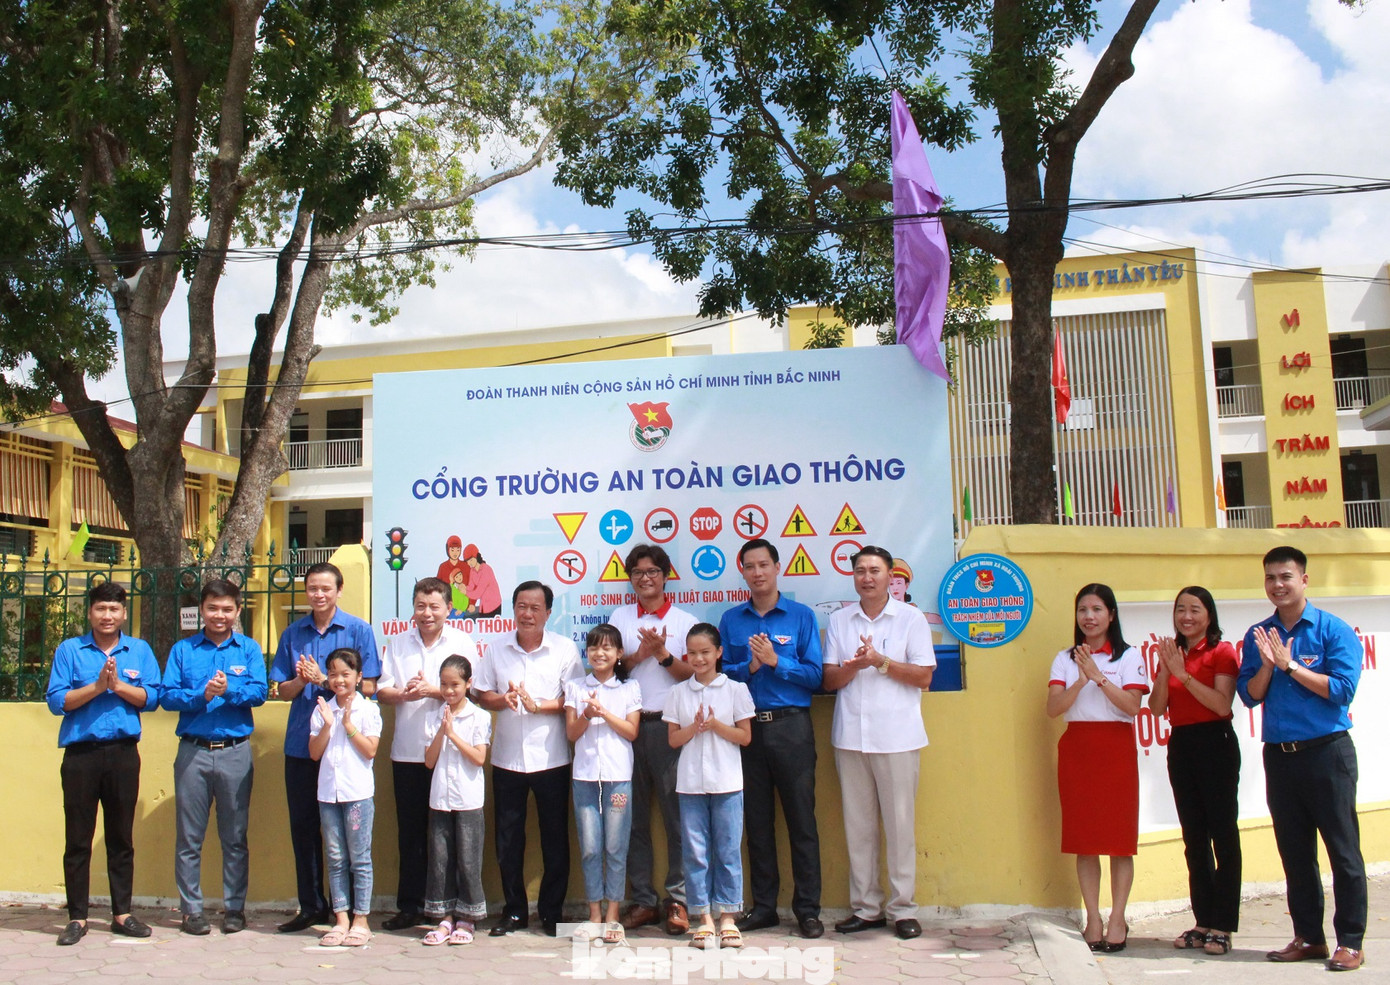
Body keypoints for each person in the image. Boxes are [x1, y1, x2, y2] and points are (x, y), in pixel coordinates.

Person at [1237, 546, 1367, 971]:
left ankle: (1350, 941)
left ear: (1304, 580)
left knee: (1343, 852)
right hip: (1281, 756)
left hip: (1328, 753)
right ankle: (1309, 936)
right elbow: (1250, 697)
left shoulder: (1333, 630)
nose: (1278, 585)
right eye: (1271, 578)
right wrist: (1270, 666)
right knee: (1295, 853)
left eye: (1286, 577)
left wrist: (1290, 665)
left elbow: (1342, 691)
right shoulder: (1259, 635)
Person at [822, 545, 935, 941]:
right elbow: (829, 680)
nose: (867, 577)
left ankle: (903, 909)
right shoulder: (840, 621)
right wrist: (854, 664)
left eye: (875, 570)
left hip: (898, 737)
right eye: (860, 571)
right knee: (859, 828)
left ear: (891, 576)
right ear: (852, 576)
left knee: (900, 827)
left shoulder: (910, 619)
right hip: (851, 737)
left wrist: (880, 662)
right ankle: (866, 909)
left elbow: (924, 676)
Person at [45, 581, 161, 946]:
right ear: (90, 612)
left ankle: (122, 914)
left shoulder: (138, 650)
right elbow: (56, 701)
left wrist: (117, 687)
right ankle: (77, 917)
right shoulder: (70, 650)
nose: (107, 616)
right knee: (78, 838)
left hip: (123, 755)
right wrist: (96, 687)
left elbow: (153, 697)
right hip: (81, 756)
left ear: (124, 613)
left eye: (114, 610)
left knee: (120, 837)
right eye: (100, 609)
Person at [719, 539, 825, 939]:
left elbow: (816, 677)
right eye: (750, 566)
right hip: (747, 730)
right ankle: (764, 907)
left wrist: (777, 662)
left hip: (791, 727)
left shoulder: (801, 617)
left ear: (777, 568)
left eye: (764, 564)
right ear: (742, 571)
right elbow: (724, 675)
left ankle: (808, 910)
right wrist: (749, 665)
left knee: (801, 820)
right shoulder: (731, 620)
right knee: (757, 822)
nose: (757, 572)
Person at [270, 562, 380, 933]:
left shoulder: (358, 630)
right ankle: (311, 906)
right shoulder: (292, 634)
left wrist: (326, 680)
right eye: (312, 588)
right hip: (305, 744)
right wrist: (301, 682)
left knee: (348, 839)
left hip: (347, 749)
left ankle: (347, 913)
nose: (319, 594)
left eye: (326, 588)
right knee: (304, 829)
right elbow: (280, 690)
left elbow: (371, 687)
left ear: (339, 590)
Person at [474, 581, 583, 936]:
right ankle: (514, 911)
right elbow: (480, 694)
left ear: (548, 613)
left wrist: (539, 705)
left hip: (552, 759)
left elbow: (574, 698)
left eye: (535, 608)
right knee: (508, 840)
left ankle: (552, 913)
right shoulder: (496, 649)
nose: (527, 614)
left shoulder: (564, 650)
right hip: (507, 759)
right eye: (521, 606)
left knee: (555, 839)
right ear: (513, 609)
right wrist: (500, 700)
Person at [160, 579, 269, 936]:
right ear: (201, 611)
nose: (219, 615)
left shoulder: (249, 649)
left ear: (238, 611)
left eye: (226, 609)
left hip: (235, 753)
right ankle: (191, 910)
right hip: (193, 751)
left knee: (234, 836)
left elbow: (259, 691)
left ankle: (234, 909)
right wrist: (201, 694)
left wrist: (230, 689)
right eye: (212, 608)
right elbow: (168, 696)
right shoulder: (183, 650)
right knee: (189, 837)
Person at [1046, 583, 1148, 954]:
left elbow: (1133, 707)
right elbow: (1054, 708)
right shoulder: (1064, 658)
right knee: (1085, 842)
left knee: (1120, 843)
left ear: (1111, 615)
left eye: (1096, 609)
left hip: (1116, 750)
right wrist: (1082, 678)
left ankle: (1118, 917)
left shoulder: (1129, 657)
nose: (1089, 617)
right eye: (1082, 610)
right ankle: (1093, 916)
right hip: (1078, 749)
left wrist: (1099, 676)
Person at [376, 577, 476, 931]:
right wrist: (404, 695)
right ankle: (410, 906)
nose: (427, 613)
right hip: (407, 753)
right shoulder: (398, 643)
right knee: (411, 834)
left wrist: (435, 691)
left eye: (435, 606)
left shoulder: (462, 642)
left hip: (451, 753)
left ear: (449, 608)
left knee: (450, 835)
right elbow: (382, 690)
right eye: (421, 605)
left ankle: (451, 909)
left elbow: (471, 692)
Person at [1148, 586, 1241, 956]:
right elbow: (1156, 709)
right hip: (1182, 744)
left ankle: (1223, 925)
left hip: (1215, 742)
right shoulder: (1173, 653)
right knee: (1194, 837)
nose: (1187, 616)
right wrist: (1164, 671)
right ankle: (1202, 920)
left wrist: (1183, 674)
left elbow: (1221, 704)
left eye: (1195, 609)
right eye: (1180, 609)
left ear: (1209, 615)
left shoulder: (1222, 651)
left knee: (1223, 834)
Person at [610, 543, 697, 935]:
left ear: (665, 576)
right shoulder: (620, 617)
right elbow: (612, 670)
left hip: (669, 727)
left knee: (677, 817)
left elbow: (692, 676)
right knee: (633, 819)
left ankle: (678, 900)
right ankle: (642, 900)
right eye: (637, 572)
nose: (645, 578)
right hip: (627, 727)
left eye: (652, 571)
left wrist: (661, 654)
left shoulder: (683, 621)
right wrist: (638, 655)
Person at [664, 624, 755, 950]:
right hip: (690, 785)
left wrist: (716, 725)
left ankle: (728, 917)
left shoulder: (735, 689)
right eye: (693, 653)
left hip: (727, 782)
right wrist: (695, 727)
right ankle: (703, 917)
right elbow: (674, 739)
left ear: (718, 653)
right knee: (695, 853)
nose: (699, 658)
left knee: (728, 850)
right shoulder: (678, 693)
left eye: (706, 652)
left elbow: (745, 737)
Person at [565, 623, 643, 945]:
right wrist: (586, 714)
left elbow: (631, 731)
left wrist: (603, 713)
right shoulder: (575, 687)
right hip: (584, 778)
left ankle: (613, 915)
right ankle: (593, 915)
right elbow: (571, 734)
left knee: (615, 846)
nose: (600, 653)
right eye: (594, 647)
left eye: (607, 648)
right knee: (591, 847)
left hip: (618, 779)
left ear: (619, 653)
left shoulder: (630, 688)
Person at [308, 648, 382, 947]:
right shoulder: (322, 709)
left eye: (346, 674)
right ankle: (340, 918)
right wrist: (329, 724)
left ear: (359, 677)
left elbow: (370, 750)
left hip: (357, 795)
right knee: (336, 857)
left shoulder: (368, 710)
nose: (339, 680)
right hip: (328, 794)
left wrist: (349, 726)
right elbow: (315, 753)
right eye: (334, 674)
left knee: (359, 858)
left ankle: (361, 920)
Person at [421, 654, 491, 946]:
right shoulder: (433, 716)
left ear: (468, 683)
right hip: (440, 797)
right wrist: (442, 730)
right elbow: (429, 761)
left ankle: (468, 917)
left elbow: (478, 757)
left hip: (468, 798)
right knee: (441, 859)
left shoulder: (479, 716)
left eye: (455, 685)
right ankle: (444, 917)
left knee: (468, 860)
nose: (449, 691)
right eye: (444, 685)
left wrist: (454, 735)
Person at [462, 544, 503, 618]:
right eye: (467, 561)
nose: (469, 563)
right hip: (484, 606)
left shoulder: (486, 570)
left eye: (471, 560)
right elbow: (471, 586)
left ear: (477, 557)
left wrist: (465, 592)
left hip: (493, 606)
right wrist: (464, 587)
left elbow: (477, 593)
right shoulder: (472, 570)